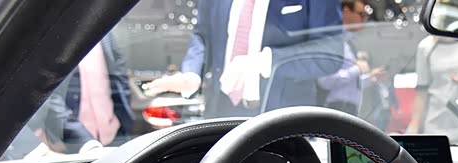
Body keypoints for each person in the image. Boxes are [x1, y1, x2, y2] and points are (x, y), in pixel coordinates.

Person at [147, 0, 344, 118]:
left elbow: (331, 53)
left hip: (283, 119)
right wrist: (192, 73)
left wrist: (266, 61)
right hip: (220, 110)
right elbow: (203, 34)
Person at [65, 32, 134, 146]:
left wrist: (124, 120)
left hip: (115, 133)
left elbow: (119, 72)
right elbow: (50, 95)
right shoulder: (58, 35)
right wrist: (83, 140)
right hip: (72, 141)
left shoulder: (104, 33)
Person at [316, 0, 373, 115]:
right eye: (361, 14)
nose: (365, 19)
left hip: (349, 109)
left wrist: (370, 78)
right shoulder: (333, 42)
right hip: (337, 109)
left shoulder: (348, 44)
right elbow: (325, 81)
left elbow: (349, 86)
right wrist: (357, 69)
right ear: (346, 11)